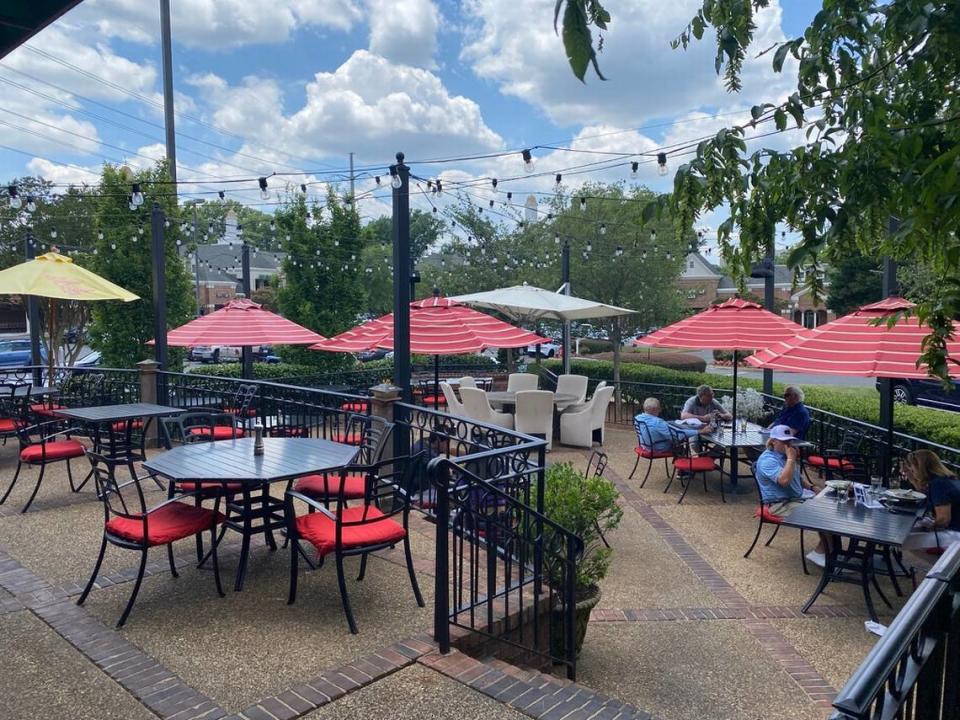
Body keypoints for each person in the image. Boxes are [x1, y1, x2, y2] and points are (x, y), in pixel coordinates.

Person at [755, 425, 825, 564]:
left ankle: (829, 551)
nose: (788, 445)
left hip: (797, 497)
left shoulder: (782, 455)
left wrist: (812, 487)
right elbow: (785, 481)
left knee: (830, 506)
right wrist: (791, 459)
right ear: (773, 441)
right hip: (780, 504)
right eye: (784, 442)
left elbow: (796, 477)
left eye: (789, 442)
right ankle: (822, 552)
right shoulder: (767, 460)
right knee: (822, 515)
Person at [902, 449, 960, 554]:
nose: (911, 469)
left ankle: (941, 567)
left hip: (955, 536)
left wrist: (929, 526)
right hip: (954, 531)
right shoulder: (946, 479)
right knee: (911, 529)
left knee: (902, 539)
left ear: (921, 467)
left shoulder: (938, 484)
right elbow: (925, 492)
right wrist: (911, 478)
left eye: (912, 466)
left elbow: (943, 519)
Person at [634, 397, 714, 452]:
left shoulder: (638, 418)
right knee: (680, 444)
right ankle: (683, 471)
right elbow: (677, 435)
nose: (660, 410)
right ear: (655, 409)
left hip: (645, 445)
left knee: (676, 438)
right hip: (656, 447)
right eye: (659, 408)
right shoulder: (657, 422)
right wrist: (700, 431)